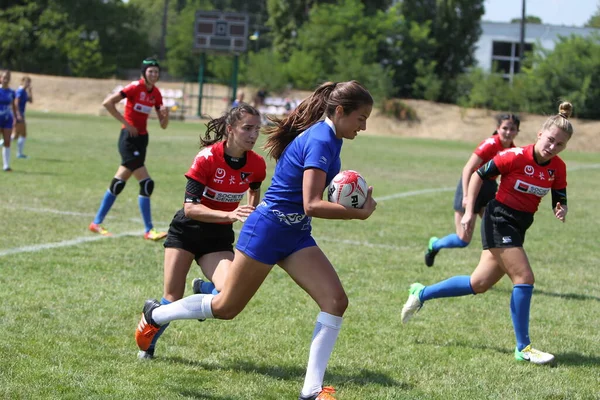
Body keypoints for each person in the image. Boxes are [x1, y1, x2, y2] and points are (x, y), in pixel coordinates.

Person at [135, 81, 377, 400]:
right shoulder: (320, 139)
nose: (364, 126)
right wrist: (356, 213)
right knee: (225, 307)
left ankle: (312, 391)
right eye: (361, 118)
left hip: (294, 233)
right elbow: (311, 204)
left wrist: (352, 195)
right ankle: (156, 314)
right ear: (341, 111)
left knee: (335, 301)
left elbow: (310, 204)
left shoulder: (332, 138)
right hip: (268, 229)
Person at [401, 102, 574, 366]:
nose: (552, 147)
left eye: (559, 144)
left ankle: (421, 292)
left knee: (478, 284)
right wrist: (469, 210)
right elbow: (477, 175)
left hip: (519, 225)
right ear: (540, 134)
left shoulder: (557, 167)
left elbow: (559, 195)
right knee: (524, 278)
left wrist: (560, 208)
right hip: (498, 219)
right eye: (550, 140)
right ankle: (523, 348)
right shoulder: (514, 156)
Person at [138, 103, 267, 359]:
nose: (254, 135)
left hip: (218, 238)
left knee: (230, 292)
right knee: (172, 298)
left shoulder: (257, 164)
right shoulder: (207, 158)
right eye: (247, 128)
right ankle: (149, 343)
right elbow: (190, 209)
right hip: (187, 232)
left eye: (257, 129)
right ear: (230, 129)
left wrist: (250, 212)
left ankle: (205, 289)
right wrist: (230, 214)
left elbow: (254, 189)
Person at [89, 58, 169, 240]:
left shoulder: (156, 93)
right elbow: (108, 103)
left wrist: (166, 116)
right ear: (144, 73)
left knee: (119, 182)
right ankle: (149, 230)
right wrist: (126, 123)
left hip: (142, 139)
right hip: (128, 139)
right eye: (150, 71)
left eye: (156, 72)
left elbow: (163, 125)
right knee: (147, 183)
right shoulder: (134, 87)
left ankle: (96, 223)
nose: (154, 74)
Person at [424, 114, 520, 267]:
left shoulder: (514, 151)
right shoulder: (490, 144)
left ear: (517, 131)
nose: (508, 132)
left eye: (512, 129)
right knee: (463, 240)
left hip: (489, 188)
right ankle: (434, 245)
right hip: (471, 185)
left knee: (496, 231)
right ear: (497, 129)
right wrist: (467, 195)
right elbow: (468, 168)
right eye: (505, 128)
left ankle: (486, 272)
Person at [0, 70, 21, 172]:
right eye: (4, 77)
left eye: (7, 78)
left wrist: (16, 117)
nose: (6, 79)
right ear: (1, 78)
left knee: (7, 141)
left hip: (8, 119)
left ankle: (6, 165)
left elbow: (14, 106)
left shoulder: (12, 92)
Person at [12, 76, 33, 159]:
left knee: (16, 136)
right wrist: (18, 114)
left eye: (29, 82)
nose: (28, 84)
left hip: (21, 114)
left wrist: (30, 91)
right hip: (18, 114)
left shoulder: (24, 92)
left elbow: (31, 101)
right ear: (22, 82)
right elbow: (16, 103)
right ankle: (19, 154)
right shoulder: (20, 91)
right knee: (22, 134)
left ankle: (19, 153)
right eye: (27, 82)